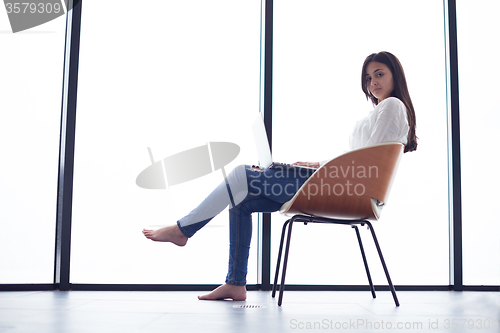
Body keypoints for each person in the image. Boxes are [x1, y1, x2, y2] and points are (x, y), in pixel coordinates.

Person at [142, 51, 417, 301]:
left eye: (379, 74)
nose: (372, 82)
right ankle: (235, 284)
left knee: (241, 174)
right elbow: (359, 156)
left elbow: (368, 161)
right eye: (368, 78)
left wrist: (318, 169)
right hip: (339, 184)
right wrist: (314, 164)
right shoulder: (384, 109)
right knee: (241, 201)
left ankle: (183, 229)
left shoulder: (392, 105)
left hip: (348, 192)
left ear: (395, 75)